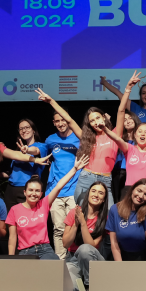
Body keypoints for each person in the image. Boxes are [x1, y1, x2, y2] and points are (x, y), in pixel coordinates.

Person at [7, 157, 88, 259]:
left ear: (41, 194)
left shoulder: (43, 204)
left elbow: (59, 186)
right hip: (25, 251)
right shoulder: (15, 210)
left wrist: (74, 169)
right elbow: (12, 238)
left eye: (37, 191)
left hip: (45, 250)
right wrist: (10, 259)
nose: (33, 193)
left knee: (55, 269)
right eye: (30, 190)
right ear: (25, 192)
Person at [37, 89, 84, 259]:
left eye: (63, 119)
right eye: (57, 121)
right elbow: (40, 150)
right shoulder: (50, 140)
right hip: (55, 191)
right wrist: (29, 150)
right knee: (57, 228)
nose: (60, 123)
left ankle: (74, 262)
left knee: (73, 228)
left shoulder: (79, 138)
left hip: (74, 190)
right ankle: (60, 263)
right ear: (53, 123)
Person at [63, 171, 109, 291]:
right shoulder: (74, 212)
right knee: (70, 287)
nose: (96, 195)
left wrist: (83, 224)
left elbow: (91, 246)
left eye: (101, 193)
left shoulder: (105, 218)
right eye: (93, 191)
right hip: (72, 259)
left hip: (93, 261)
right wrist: (76, 224)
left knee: (84, 249)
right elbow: (66, 244)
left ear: (104, 198)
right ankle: (85, 289)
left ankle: (90, 285)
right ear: (88, 193)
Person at [106, 179, 146, 261]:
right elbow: (114, 242)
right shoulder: (115, 209)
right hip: (121, 255)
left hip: (142, 256)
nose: (141, 196)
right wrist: (119, 266)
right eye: (139, 191)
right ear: (132, 190)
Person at [4, 118, 49, 209]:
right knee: (10, 220)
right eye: (21, 129)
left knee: (26, 220)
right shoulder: (18, 151)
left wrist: (27, 150)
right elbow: (13, 172)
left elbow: (35, 151)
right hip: (11, 189)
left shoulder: (41, 146)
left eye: (27, 127)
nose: (24, 130)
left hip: (27, 189)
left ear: (34, 130)